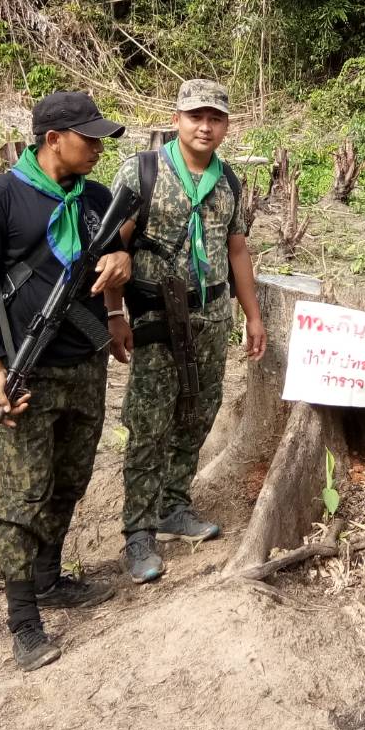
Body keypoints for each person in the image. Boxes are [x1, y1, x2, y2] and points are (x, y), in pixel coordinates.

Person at [0, 91, 134, 671]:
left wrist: (120, 279)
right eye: (89, 138)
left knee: (70, 480)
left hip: (87, 363)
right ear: (53, 140)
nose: (99, 149)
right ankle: (24, 621)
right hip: (25, 370)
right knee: (22, 496)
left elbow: (114, 264)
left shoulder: (99, 199)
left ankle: (50, 577)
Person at [112, 79, 266, 585]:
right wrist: (115, 314)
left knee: (198, 410)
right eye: (196, 116)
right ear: (177, 119)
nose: (205, 127)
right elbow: (114, 248)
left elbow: (236, 249)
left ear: (226, 125)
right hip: (155, 315)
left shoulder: (229, 182)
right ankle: (138, 531)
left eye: (215, 118)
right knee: (149, 420)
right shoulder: (142, 171)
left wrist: (252, 315)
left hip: (211, 314)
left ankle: (174, 505)